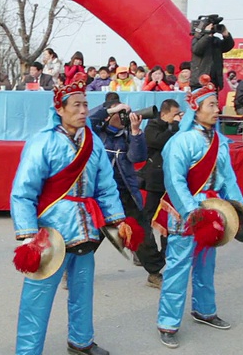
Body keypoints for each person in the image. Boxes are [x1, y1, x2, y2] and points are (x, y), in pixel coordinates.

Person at [11, 74, 129, 355]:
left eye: (85, 104)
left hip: (86, 229)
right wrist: (28, 235)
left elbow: (106, 185)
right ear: (59, 109)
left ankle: (81, 341)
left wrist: (118, 219)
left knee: (83, 290)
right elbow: (23, 191)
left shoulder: (94, 143)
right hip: (50, 233)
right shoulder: (42, 143)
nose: (83, 111)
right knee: (37, 299)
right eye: (75, 105)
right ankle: (27, 351)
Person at [155, 78, 243, 348]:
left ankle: (204, 310)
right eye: (211, 104)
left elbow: (229, 178)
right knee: (178, 267)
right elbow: (175, 181)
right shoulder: (181, 141)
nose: (217, 109)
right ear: (196, 108)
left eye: (217, 104)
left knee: (207, 264)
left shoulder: (220, 141)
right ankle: (168, 323)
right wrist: (193, 212)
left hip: (214, 211)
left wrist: (240, 210)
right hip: (187, 213)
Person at [88, 92, 147, 267]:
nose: (122, 118)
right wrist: (109, 110)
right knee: (95, 234)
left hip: (125, 189)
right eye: (118, 114)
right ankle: (74, 269)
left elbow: (137, 157)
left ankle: (152, 269)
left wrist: (136, 133)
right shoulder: (96, 134)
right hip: (101, 192)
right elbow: (87, 121)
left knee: (140, 230)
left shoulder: (128, 135)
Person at [139, 99, 182, 288]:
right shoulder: (152, 126)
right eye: (174, 115)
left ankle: (167, 257)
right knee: (148, 219)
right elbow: (157, 142)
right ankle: (146, 254)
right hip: (155, 180)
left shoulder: (176, 127)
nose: (177, 118)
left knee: (169, 221)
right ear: (164, 114)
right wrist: (172, 128)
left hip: (172, 181)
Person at [190, 22, 234, 91]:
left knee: (213, 101)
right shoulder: (197, 39)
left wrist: (226, 35)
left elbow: (227, 47)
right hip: (199, 81)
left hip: (214, 80)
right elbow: (197, 50)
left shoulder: (216, 40)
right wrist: (207, 35)